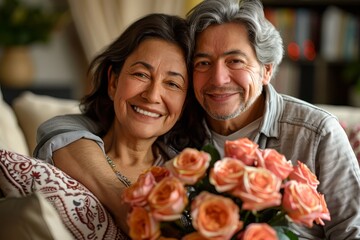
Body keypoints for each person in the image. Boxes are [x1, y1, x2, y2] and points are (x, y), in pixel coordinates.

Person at [35, 0, 360, 239]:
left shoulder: (317, 133)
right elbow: (59, 128)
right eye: (203, 63)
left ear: (267, 71)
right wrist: (124, 201)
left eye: (235, 61)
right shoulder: (183, 136)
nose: (218, 79)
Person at [33, 13, 194, 236]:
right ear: (113, 82)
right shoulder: (64, 148)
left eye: (173, 83)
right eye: (141, 74)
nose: (152, 95)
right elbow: (54, 129)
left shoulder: (191, 175)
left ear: (185, 103)